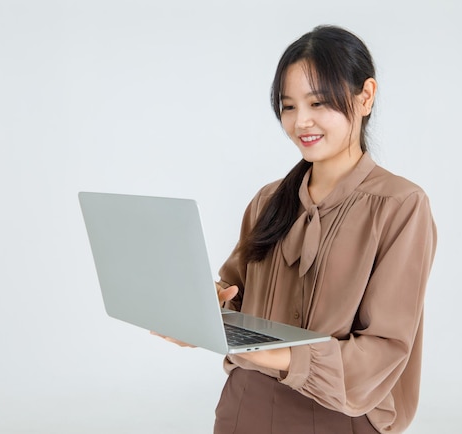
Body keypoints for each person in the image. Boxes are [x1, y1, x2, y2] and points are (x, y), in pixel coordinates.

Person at [162, 24, 436, 434]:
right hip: (244, 405)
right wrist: (204, 314)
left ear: (365, 97)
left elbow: (385, 349)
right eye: (288, 106)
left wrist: (287, 358)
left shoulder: (400, 206)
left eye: (318, 103)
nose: (300, 121)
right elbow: (235, 296)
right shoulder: (268, 200)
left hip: (338, 416)